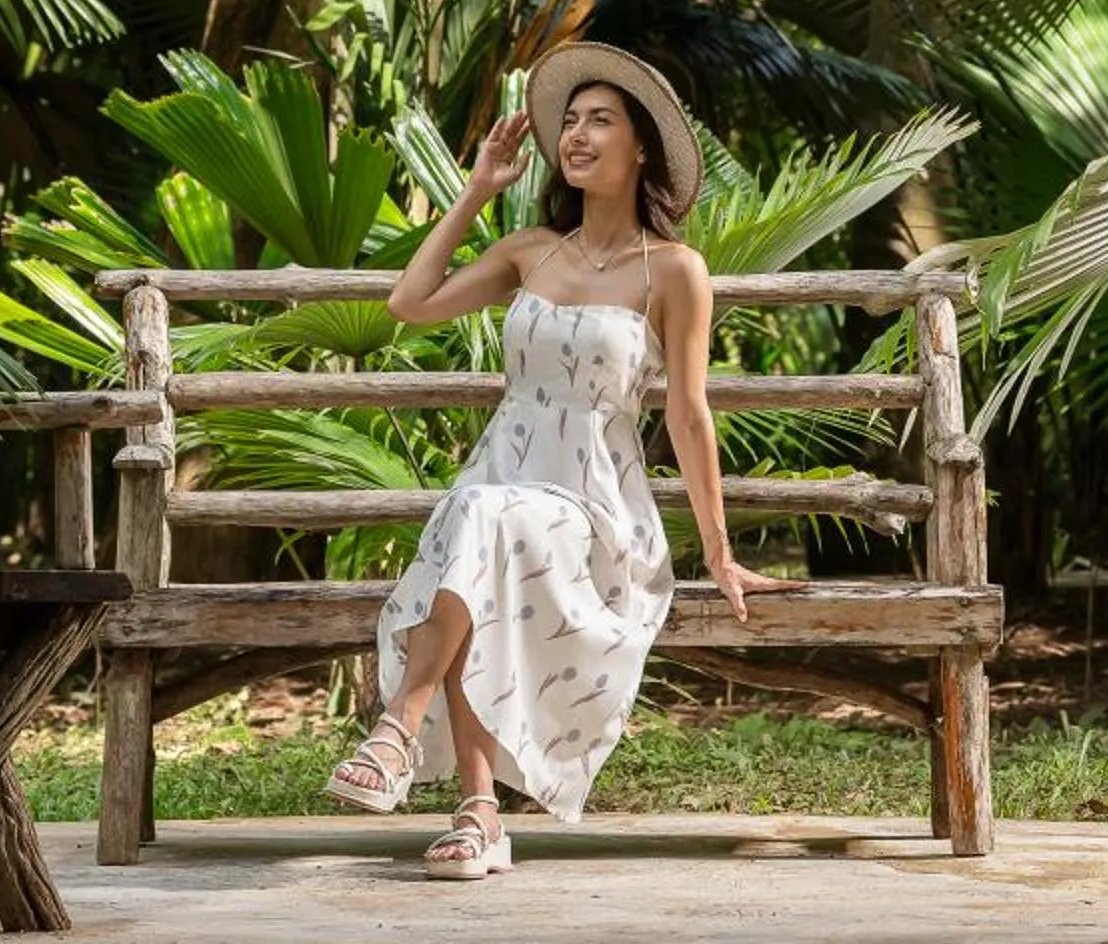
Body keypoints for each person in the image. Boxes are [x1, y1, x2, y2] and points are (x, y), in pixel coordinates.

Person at [320, 43, 796, 879]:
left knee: (486, 521)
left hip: (594, 507)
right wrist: (476, 192)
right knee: (483, 521)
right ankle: (477, 816)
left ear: (640, 145)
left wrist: (718, 551)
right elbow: (409, 304)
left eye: (599, 121)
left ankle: (401, 727)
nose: (576, 136)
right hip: (501, 476)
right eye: (569, 122)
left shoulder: (675, 272)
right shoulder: (530, 250)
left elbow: (686, 412)